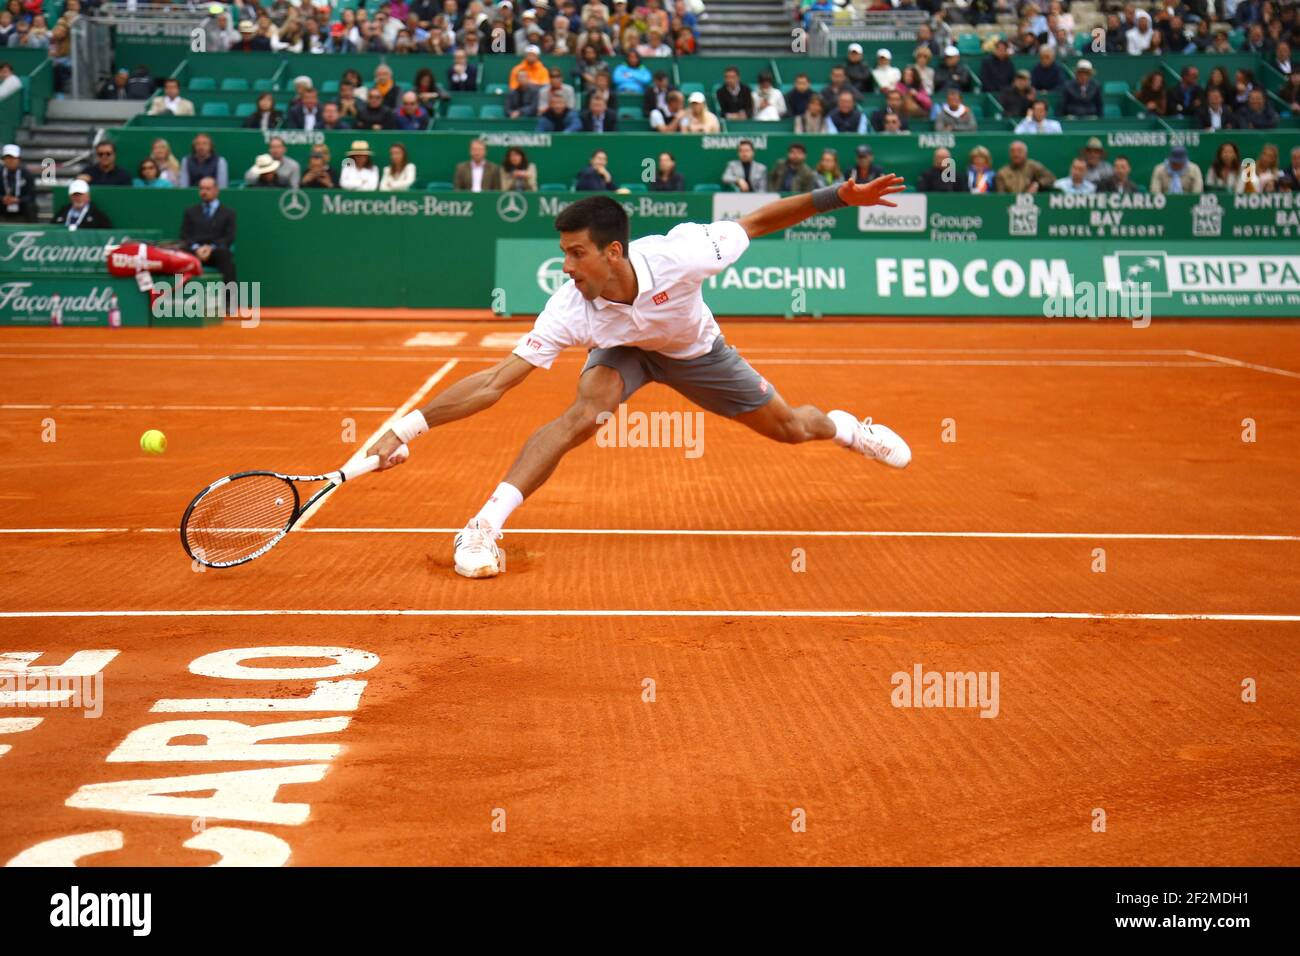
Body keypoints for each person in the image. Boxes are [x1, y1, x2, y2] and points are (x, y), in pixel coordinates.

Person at [361, 181, 912, 579]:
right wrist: (405, 429)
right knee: (582, 415)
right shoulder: (569, 306)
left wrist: (840, 196)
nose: (567, 266)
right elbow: (496, 382)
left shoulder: (685, 253)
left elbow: (759, 222)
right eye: (564, 253)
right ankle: (483, 526)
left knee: (791, 428)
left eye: (577, 253)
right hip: (622, 351)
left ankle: (844, 429)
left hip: (694, 351)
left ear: (614, 251)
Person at [179, 177, 236, 282]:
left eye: (208, 189)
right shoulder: (190, 211)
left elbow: (229, 237)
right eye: (201, 189)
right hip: (194, 251)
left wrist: (210, 248)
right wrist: (197, 248)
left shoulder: (228, 213)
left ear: (216, 190)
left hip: (216, 252)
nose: (204, 192)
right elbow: (185, 235)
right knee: (180, 253)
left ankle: (230, 297)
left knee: (225, 255)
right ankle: (178, 294)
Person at [0, 144, 35, 221]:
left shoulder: (27, 174)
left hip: (21, 205)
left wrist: (17, 200)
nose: (10, 161)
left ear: (19, 159)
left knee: (31, 206)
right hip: (3, 205)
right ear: (4, 159)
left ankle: (33, 228)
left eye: (13, 158)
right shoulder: (0, 173)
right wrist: (2, 198)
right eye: (7, 158)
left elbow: (31, 195)